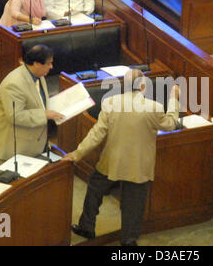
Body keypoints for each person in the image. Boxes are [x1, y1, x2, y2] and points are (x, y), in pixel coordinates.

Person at [62, 69, 180, 246]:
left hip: (111, 162)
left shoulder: (110, 103)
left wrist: (76, 154)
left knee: (95, 188)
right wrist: (174, 99)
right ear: (142, 85)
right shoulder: (154, 107)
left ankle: (86, 226)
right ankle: (129, 241)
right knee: (134, 204)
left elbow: (96, 135)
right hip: (139, 165)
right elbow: (171, 124)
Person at [0, 45, 65, 172]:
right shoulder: (14, 84)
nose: (51, 67)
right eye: (49, 63)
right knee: (13, 190)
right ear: (36, 64)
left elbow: (40, 102)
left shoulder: (39, 75)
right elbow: (15, 116)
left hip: (32, 143)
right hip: (12, 148)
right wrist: (45, 115)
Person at [0, 0, 46, 87]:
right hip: (10, 30)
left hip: (28, 28)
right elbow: (14, 14)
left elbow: (42, 12)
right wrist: (30, 20)